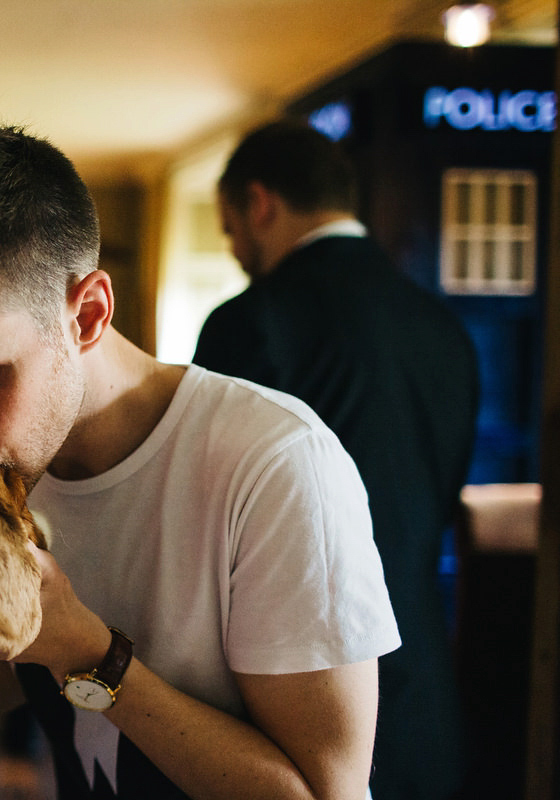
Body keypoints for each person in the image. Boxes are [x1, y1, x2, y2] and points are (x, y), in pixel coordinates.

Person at [0, 119, 402, 800]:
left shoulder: (273, 463)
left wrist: (90, 655)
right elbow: (11, 667)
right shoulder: (1, 471)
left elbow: (324, 793)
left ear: (87, 315)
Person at [193, 119, 479, 800]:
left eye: (230, 227)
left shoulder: (248, 322)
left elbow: (202, 517)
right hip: (424, 698)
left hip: (291, 705)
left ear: (259, 203)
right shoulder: (444, 328)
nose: (235, 248)